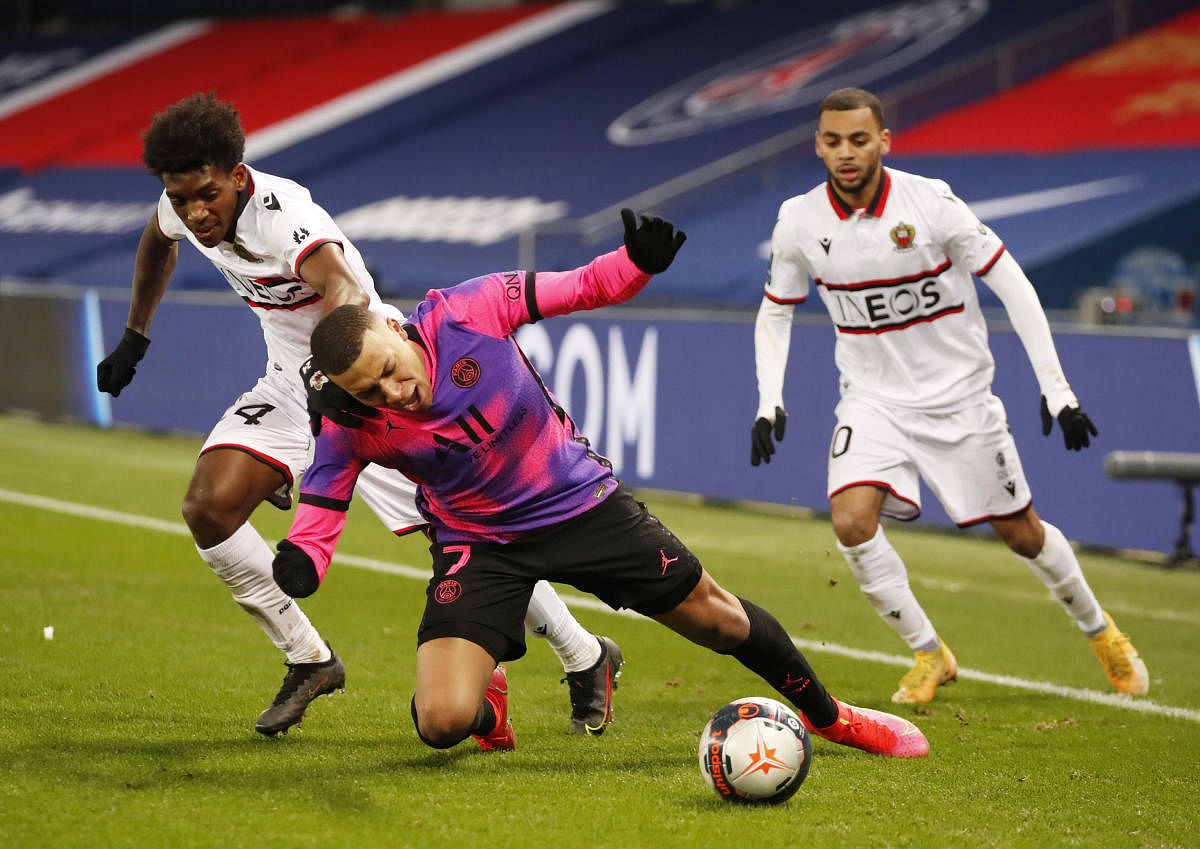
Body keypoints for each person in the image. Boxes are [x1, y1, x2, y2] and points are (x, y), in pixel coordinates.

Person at [269, 207, 930, 759]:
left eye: (389, 370)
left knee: (722, 620)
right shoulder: (350, 417)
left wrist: (634, 262)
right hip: (480, 542)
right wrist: (304, 557)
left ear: (392, 327)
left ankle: (831, 716)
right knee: (440, 720)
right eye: (372, 389)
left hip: (582, 507)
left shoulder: (469, 310)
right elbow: (325, 495)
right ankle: (486, 706)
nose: (394, 393)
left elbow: (581, 286)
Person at [95, 92, 623, 738]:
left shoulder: (280, 214)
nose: (193, 211)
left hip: (365, 385)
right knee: (209, 507)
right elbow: (158, 241)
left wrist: (332, 377)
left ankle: (586, 655)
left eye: (205, 193)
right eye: (181, 199)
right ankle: (309, 657)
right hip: (292, 385)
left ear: (237, 176)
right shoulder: (181, 206)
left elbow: (343, 284)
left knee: (459, 536)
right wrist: (135, 335)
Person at [749, 86, 1148, 704]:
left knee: (1022, 534)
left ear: (884, 140)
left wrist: (1056, 389)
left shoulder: (930, 204)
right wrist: (768, 399)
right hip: (872, 400)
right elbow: (775, 314)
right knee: (852, 522)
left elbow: (1012, 283)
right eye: (833, 141)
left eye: (859, 139)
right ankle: (930, 654)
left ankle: (1102, 632)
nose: (846, 152)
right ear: (818, 145)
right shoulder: (799, 221)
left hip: (961, 401)